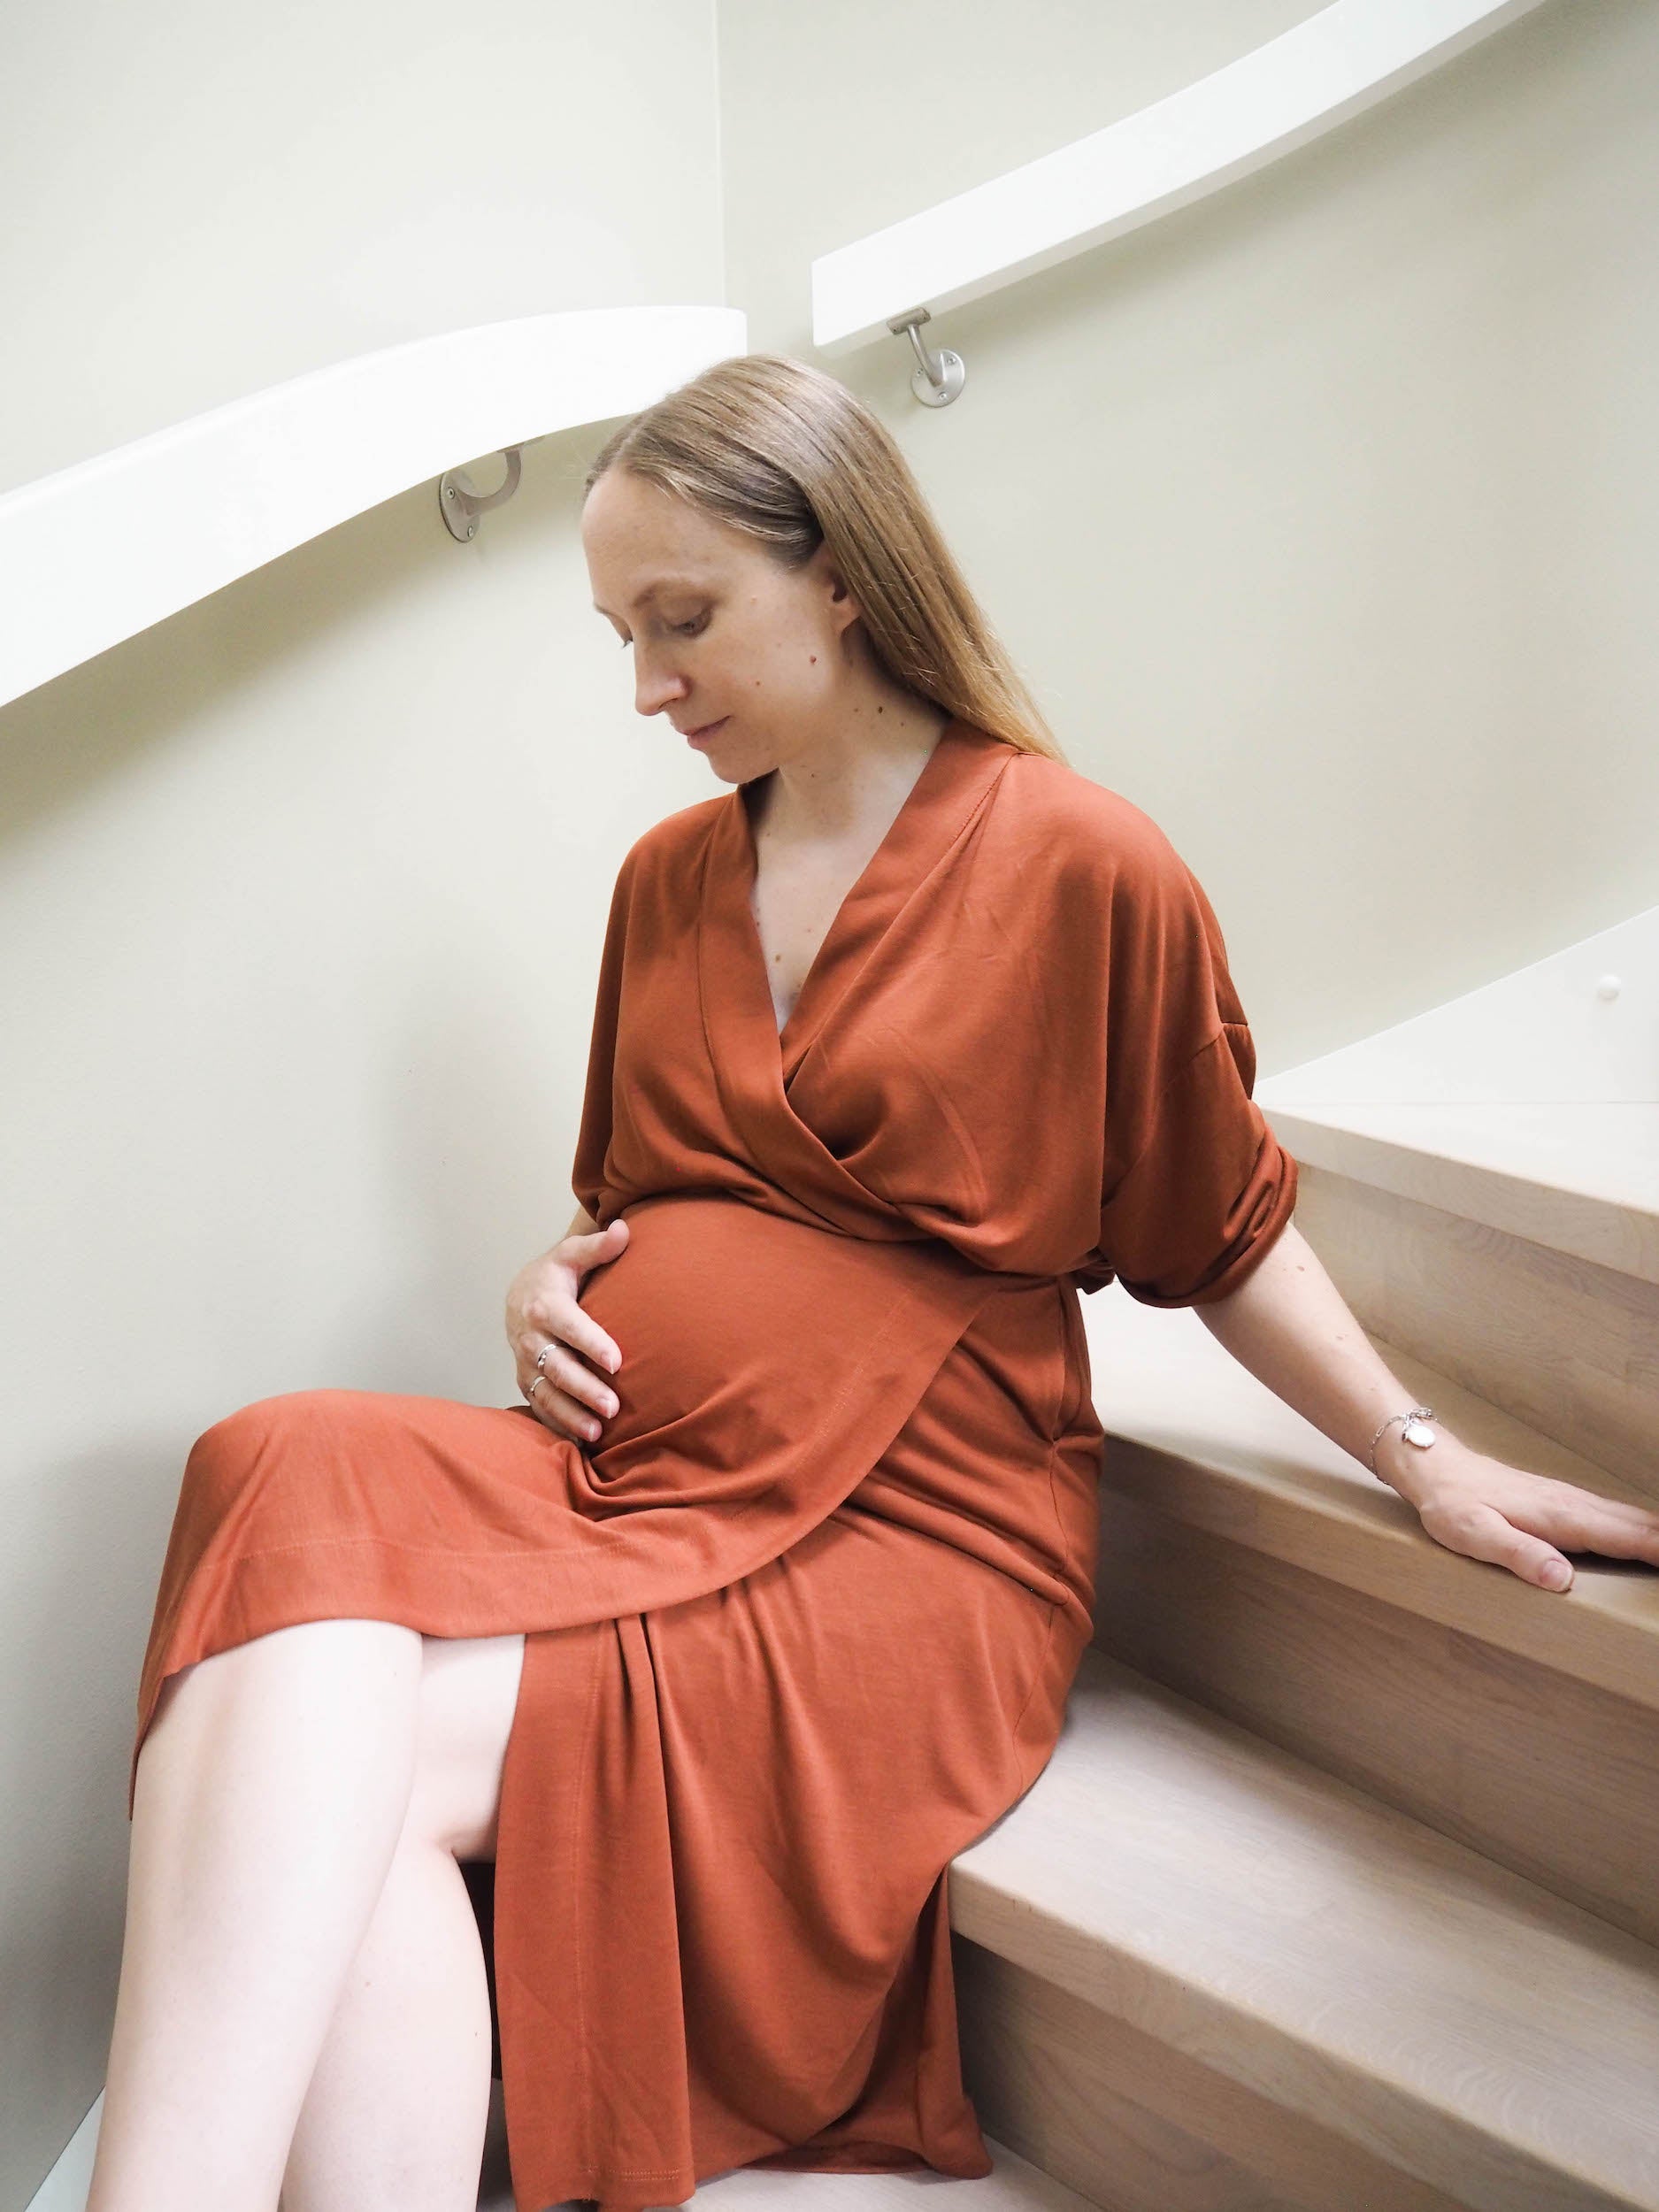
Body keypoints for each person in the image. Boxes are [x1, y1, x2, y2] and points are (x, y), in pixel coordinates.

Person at [91, 354, 1659, 2212]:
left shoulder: (1083, 864)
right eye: (619, 633)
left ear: (840, 574)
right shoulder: (666, 880)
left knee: (311, 1756)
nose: (646, 685)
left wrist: (1419, 1451)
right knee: (276, 1461)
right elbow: (631, 1201)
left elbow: (1211, 1228)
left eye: (683, 619)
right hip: (643, 1479)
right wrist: (542, 1286)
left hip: (908, 1535)